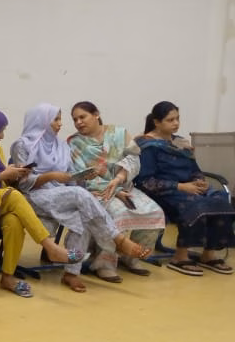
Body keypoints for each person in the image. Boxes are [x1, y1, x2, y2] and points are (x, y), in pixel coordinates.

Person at [11, 104, 151, 293]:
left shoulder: (60, 146)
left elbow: (70, 178)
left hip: (61, 193)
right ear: (41, 121)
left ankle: (71, 273)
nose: (61, 124)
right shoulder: (22, 145)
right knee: (79, 196)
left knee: (82, 214)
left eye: (61, 119)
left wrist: (84, 178)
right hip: (34, 196)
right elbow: (24, 184)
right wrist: (52, 176)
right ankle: (118, 240)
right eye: (56, 119)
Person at [0, 109, 89, 297]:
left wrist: (14, 173)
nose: (2, 136)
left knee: (14, 221)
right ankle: (51, 248)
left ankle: (7, 277)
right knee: (14, 196)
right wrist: (3, 175)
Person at [135, 101, 234, 275]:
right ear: (157, 122)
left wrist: (199, 181)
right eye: (170, 120)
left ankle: (208, 254)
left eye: (177, 119)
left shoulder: (181, 143)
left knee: (220, 200)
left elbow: (194, 170)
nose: (176, 123)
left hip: (189, 188)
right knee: (195, 204)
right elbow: (145, 181)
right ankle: (180, 256)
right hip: (164, 192)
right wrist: (181, 186)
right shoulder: (147, 145)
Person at [69, 101, 166, 279]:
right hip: (96, 191)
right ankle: (104, 262)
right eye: (75, 119)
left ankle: (131, 257)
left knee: (154, 212)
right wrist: (113, 190)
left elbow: (134, 158)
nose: (78, 122)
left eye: (82, 117)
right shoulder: (75, 143)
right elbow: (79, 175)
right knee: (116, 214)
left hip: (124, 185)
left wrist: (119, 180)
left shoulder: (119, 133)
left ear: (96, 114)